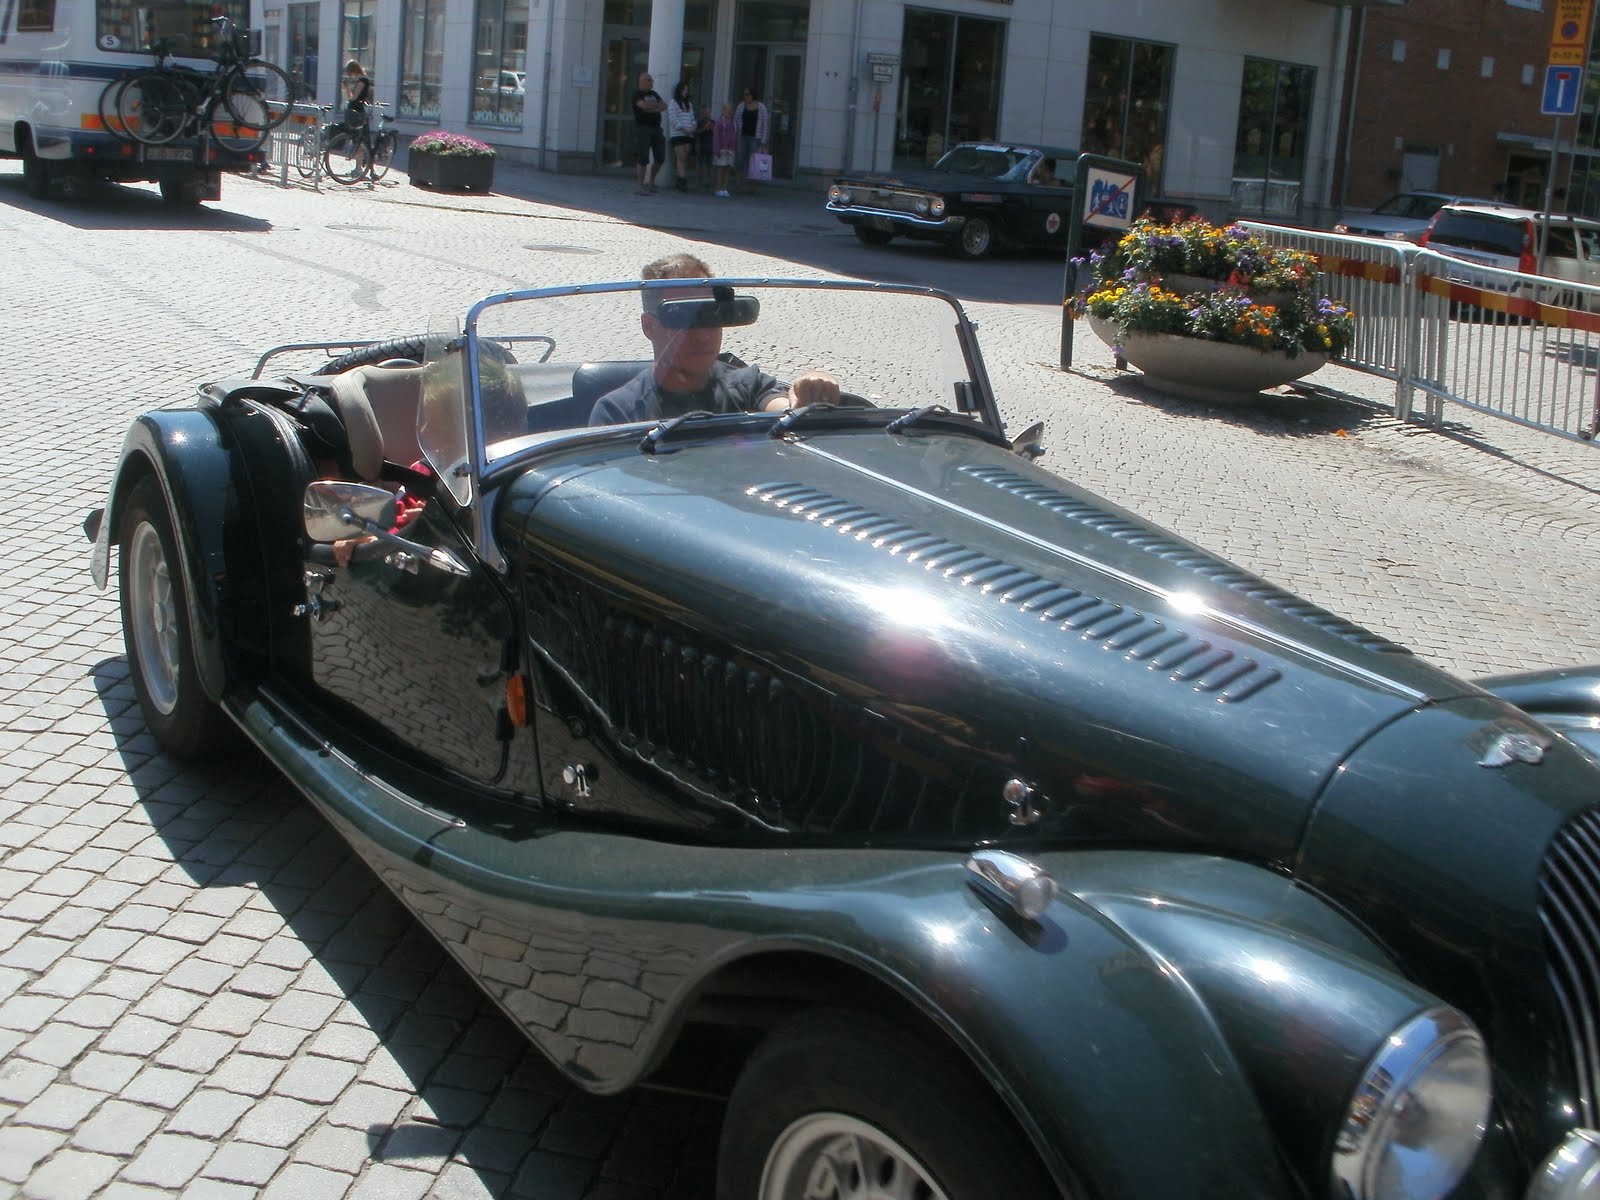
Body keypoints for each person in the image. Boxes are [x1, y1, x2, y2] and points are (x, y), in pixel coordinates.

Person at [590, 253, 840, 426]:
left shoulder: (746, 385)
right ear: (649, 327)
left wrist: (811, 390)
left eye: (712, 315)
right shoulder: (618, 412)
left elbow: (785, 409)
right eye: (683, 317)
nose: (703, 333)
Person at [333, 356, 527, 566]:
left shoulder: (529, 468)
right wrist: (420, 525)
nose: (424, 430)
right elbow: (388, 533)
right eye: (424, 421)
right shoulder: (423, 479)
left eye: (434, 425)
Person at [632, 70, 666, 194]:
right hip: (643, 128)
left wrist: (652, 107)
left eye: (652, 80)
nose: (652, 82)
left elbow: (664, 106)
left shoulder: (654, 94)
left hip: (657, 128)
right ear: (642, 82)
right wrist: (655, 107)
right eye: (649, 80)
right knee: (643, 157)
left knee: (660, 157)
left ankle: (651, 182)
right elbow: (643, 106)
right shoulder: (637, 94)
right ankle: (640, 186)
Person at [734, 87, 770, 192]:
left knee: (754, 162)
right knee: (740, 160)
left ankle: (752, 186)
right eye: (744, 94)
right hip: (742, 136)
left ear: (752, 95)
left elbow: (765, 125)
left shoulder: (761, 107)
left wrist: (763, 141)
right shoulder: (741, 106)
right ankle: (738, 184)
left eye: (747, 94)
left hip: (755, 138)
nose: (745, 96)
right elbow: (736, 121)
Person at [666, 81, 697, 192]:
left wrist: (693, 127)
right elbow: (673, 119)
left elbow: (692, 118)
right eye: (684, 89)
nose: (685, 92)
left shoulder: (689, 104)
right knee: (681, 157)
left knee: (685, 159)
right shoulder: (673, 103)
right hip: (678, 135)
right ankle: (683, 181)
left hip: (688, 135)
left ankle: (680, 179)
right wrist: (684, 129)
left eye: (687, 90)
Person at [711, 103, 737, 198]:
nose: (729, 112)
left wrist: (736, 148)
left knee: (727, 169)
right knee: (720, 169)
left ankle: (724, 188)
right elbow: (716, 137)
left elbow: (736, 136)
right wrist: (717, 149)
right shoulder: (719, 122)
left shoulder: (734, 123)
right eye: (727, 110)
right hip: (721, 149)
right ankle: (718, 188)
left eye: (731, 111)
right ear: (723, 111)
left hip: (731, 149)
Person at [340, 59, 371, 135]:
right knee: (356, 133)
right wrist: (347, 88)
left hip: (357, 109)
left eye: (350, 73)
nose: (351, 76)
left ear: (354, 70)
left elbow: (354, 98)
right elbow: (350, 98)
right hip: (355, 107)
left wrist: (349, 88)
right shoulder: (360, 80)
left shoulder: (362, 80)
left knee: (357, 133)